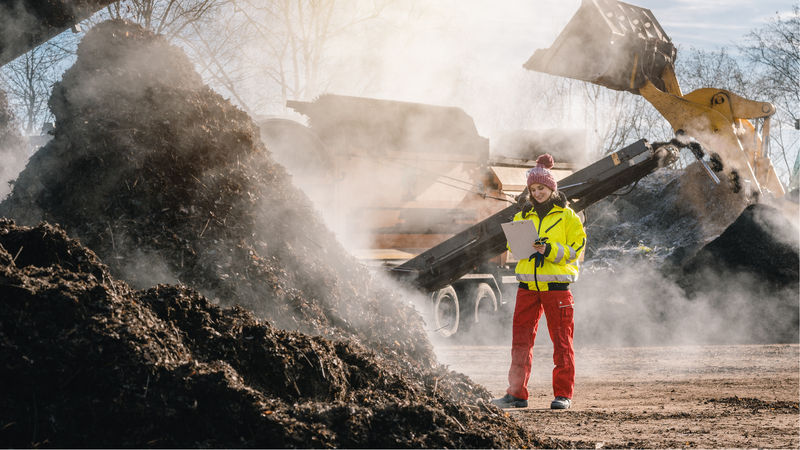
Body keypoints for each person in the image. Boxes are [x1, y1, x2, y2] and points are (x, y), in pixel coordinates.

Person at [492, 153, 586, 410]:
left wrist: (550, 249)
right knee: (520, 342)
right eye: (533, 189)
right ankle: (516, 394)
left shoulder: (568, 216)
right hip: (527, 287)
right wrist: (520, 241)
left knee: (562, 341)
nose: (537, 192)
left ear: (551, 187)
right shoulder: (524, 215)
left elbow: (576, 247)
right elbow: (514, 245)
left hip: (557, 288)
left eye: (541, 188)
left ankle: (563, 395)